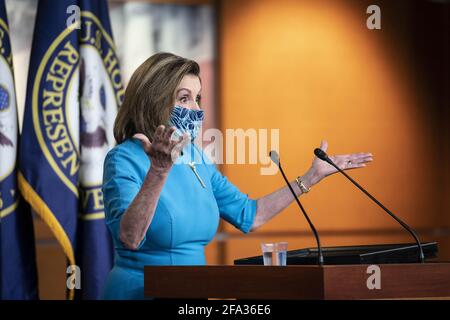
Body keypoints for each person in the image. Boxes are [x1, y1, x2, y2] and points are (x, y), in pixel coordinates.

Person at [102, 52, 373, 299]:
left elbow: (250, 214)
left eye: (198, 98)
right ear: (155, 102)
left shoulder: (195, 158)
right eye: (184, 98)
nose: (196, 109)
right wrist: (159, 171)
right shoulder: (124, 159)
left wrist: (309, 178)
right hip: (140, 292)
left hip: (192, 295)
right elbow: (130, 237)